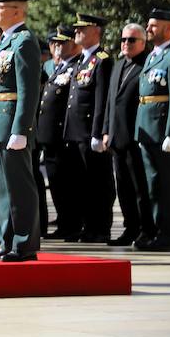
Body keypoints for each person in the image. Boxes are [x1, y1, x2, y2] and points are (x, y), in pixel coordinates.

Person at [0, 0, 42, 262]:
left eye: (0, 8)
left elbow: (28, 91)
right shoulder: (6, 42)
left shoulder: (24, 41)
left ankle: (24, 243)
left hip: (11, 125)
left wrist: (21, 129)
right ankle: (6, 240)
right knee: (1, 191)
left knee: (19, 188)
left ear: (17, 11)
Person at [133, 7, 170, 251]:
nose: (148, 29)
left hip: (165, 130)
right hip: (148, 129)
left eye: (153, 26)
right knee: (154, 184)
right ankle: (159, 232)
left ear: (168, 28)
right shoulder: (152, 56)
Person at [64, 14, 115, 242]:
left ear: (95, 31)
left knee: (98, 183)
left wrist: (97, 132)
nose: (77, 32)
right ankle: (88, 226)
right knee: (81, 183)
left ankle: (100, 227)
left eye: (82, 29)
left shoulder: (102, 59)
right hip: (76, 132)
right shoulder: (81, 61)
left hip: (89, 132)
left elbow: (101, 99)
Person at [103, 23, 153, 246]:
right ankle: (130, 228)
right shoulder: (119, 64)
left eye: (131, 40)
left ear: (143, 42)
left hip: (136, 137)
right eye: (123, 39)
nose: (125, 43)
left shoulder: (147, 64)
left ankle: (147, 229)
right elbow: (110, 102)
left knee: (140, 188)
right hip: (117, 138)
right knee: (123, 188)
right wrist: (105, 130)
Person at [38, 29, 83, 240]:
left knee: (69, 184)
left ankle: (72, 224)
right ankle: (65, 223)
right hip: (49, 136)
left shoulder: (76, 67)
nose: (56, 47)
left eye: (62, 43)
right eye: (54, 43)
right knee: (56, 183)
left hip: (62, 136)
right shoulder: (58, 68)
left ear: (74, 44)